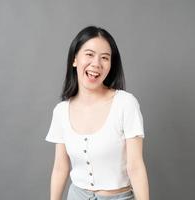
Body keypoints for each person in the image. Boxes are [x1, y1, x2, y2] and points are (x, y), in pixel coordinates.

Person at [45, 26, 149, 200]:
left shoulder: (125, 103)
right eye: (89, 54)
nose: (96, 64)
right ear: (74, 59)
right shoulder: (61, 111)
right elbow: (60, 167)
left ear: (111, 65)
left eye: (105, 58)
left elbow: (136, 167)